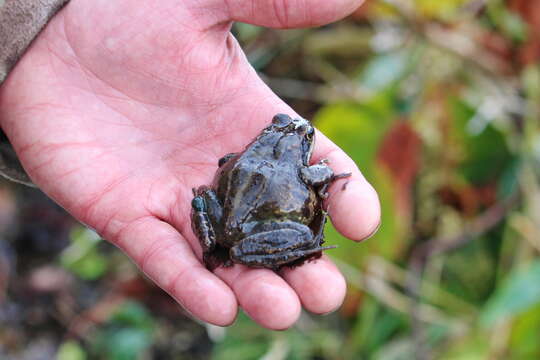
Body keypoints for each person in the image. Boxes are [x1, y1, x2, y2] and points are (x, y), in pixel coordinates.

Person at [0, 0, 380, 330]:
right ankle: (299, 244)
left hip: (226, 218)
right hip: (252, 224)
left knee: (204, 199)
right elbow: (322, 174)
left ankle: (218, 247)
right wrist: (319, 207)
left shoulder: (251, 150)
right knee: (294, 235)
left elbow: (226, 164)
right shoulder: (301, 161)